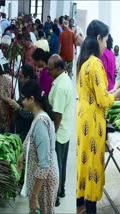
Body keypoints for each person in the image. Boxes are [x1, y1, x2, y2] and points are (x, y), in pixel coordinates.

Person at [76, 20, 120, 214]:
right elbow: (103, 99)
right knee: (93, 164)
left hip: (83, 117)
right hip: (93, 120)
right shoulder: (95, 63)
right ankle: (91, 207)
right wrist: (118, 94)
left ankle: (80, 202)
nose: (106, 45)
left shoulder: (82, 61)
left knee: (84, 161)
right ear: (98, 38)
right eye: (105, 40)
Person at [17, 80, 59, 214]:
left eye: (23, 99)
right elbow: (32, 142)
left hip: (43, 184)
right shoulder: (37, 118)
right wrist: (22, 156)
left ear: (31, 99)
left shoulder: (41, 123)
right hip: (40, 182)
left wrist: (34, 195)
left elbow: (44, 164)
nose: (21, 102)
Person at [47, 54, 74, 207]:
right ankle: (61, 190)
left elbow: (57, 115)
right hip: (65, 130)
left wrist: (52, 134)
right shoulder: (63, 79)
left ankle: (55, 196)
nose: (48, 72)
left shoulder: (60, 86)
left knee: (56, 166)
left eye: (50, 69)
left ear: (58, 68)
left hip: (59, 131)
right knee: (61, 164)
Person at [9, 64, 37, 141]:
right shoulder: (23, 85)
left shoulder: (33, 90)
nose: (19, 79)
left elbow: (31, 115)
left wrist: (18, 108)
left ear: (27, 77)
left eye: (21, 77)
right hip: (20, 126)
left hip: (27, 128)